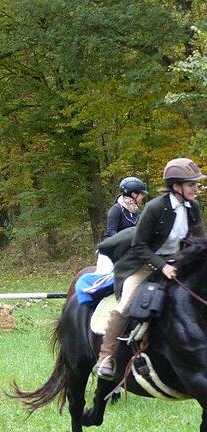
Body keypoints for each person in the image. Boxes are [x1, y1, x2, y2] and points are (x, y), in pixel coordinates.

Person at [93, 158, 205, 380]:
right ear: (176, 186)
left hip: (178, 262)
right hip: (143, 264)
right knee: (125, 305)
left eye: (195, 184)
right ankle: (106, 356)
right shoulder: (156, 207)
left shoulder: (193, 207)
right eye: (191, 184)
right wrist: (162, 266)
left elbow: (198, 242)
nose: (196, 188)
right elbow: (139, 245)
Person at [95, 177, 147, 273]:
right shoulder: (116, 210)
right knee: (104, 275)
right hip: (110, 250)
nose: (142, 197)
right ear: (133, 194)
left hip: (128, 251)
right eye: (141, 194)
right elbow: (111, 231)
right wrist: (127, 244)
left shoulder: (135, 211)